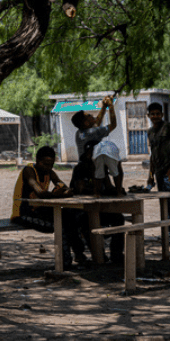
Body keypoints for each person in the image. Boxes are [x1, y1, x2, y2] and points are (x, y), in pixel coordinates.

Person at [11, 146, 89, 269]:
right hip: (24, 213)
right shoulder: (29, 171)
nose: (48, 167)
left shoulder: (50, 173)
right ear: (37, 160)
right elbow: (40, 193)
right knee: (61, 225)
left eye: (51, 164)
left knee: (71, 216)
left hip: (40, 210)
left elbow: (62, 185)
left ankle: (79, 253)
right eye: (45, 164)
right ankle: (65, 263)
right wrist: (57, 195)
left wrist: (65, 191)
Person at [70, 96, 124, 262]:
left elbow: (96, 122)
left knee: (117, 218)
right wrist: (110, 107)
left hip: (95, 194)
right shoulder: (91, 134)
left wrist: (104, 106)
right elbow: (111, 124)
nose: (92, 117)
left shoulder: (82, 133)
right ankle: (99, 255)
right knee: (84, 223)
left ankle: (112, 254)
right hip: (84, 207)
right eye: (88, 116)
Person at [146, 102, 170, 244]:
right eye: (152, 114)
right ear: (148, 116)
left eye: (157, 113)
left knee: (168, 202)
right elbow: (153, 155)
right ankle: (166, 234)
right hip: (159, 173)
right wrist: (150, 176)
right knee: (163, 203)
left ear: (162, 114)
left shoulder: (169, 128)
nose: (155, 116)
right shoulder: (150, 132)